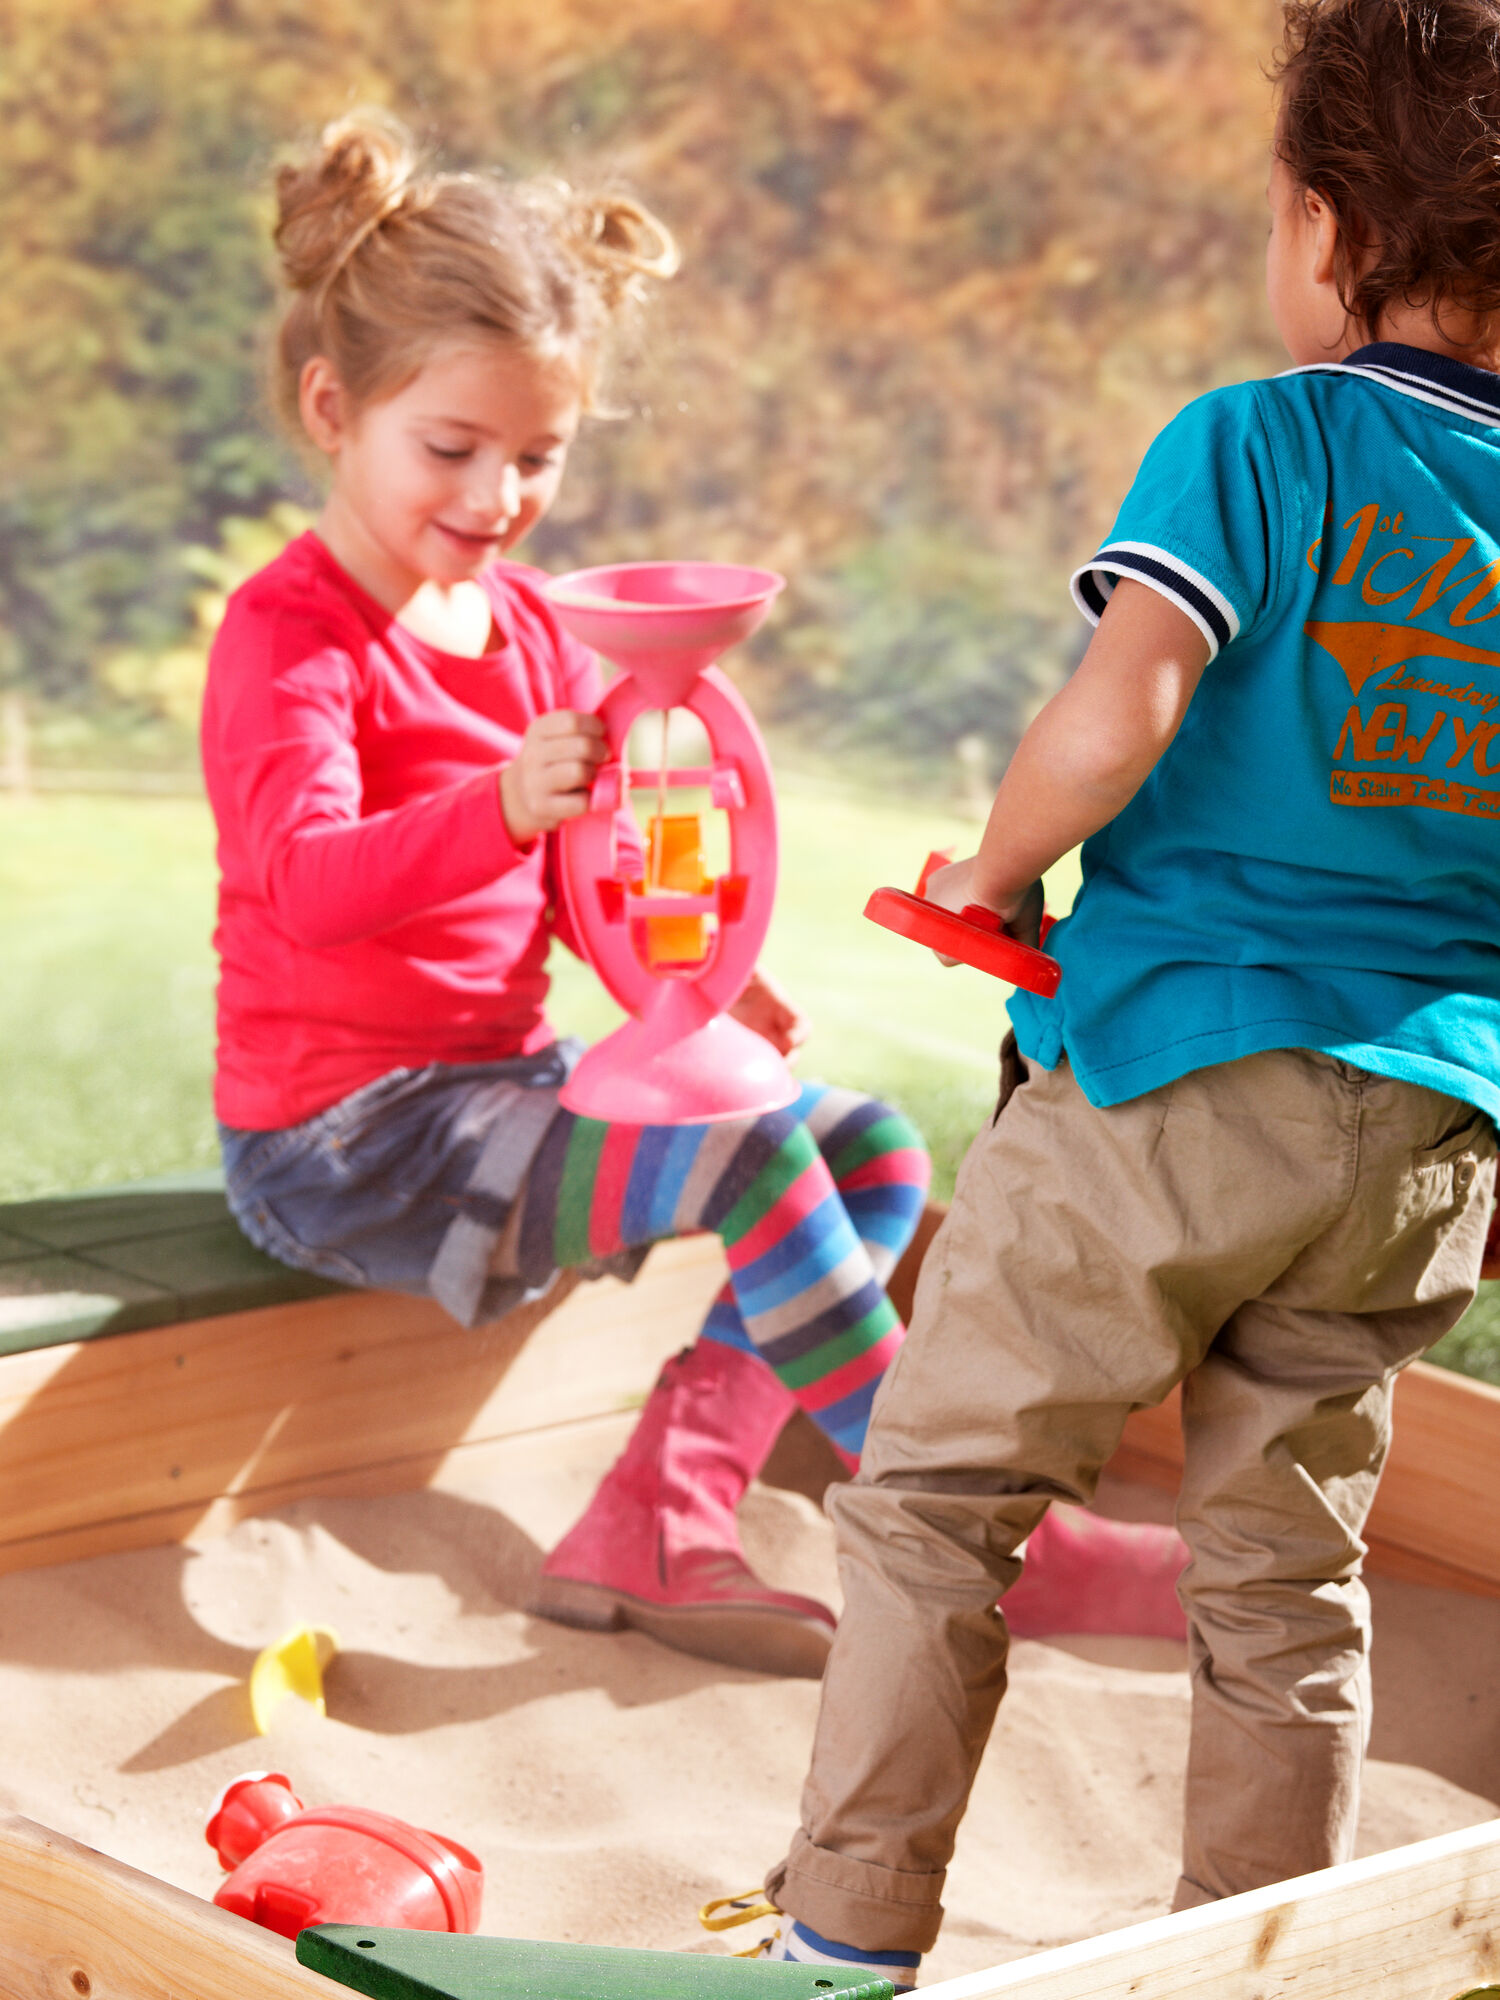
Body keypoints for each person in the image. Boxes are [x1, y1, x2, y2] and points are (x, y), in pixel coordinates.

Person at [724, 0, 1500, 1980]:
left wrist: (987, 877)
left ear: (1325, 230)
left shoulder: (1263, 440)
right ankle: (1268, 1958)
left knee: (938, 1499)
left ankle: (843, 1936)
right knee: (1286, 1571)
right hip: (1423, 1133)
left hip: (1174, 1072)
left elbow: (1122, 703)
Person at [202, 109, 931, 1679]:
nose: (497, 494)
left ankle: (659, 1516)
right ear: (334, 410)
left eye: (537, 455)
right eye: (451, 449)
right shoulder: (291, 637)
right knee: (751, 1167)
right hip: (346, 1138)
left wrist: (688, 991)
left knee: (865, 1145)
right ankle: (949, 1513)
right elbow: (310, 888)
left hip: (504, 1091)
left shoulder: (531, 627)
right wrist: (492, 805)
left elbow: (588, 870)